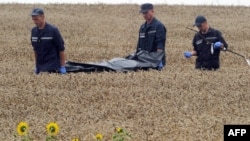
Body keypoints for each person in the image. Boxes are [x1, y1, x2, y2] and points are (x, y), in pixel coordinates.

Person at [128, 3, 167, 70]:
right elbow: (139, 45)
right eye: (143, 13)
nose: (144, 15)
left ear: (152, 11)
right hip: (142, 60)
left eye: (146, 12)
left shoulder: (158, 26)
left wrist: (158, 61)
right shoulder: (142, 27)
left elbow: (160, 45)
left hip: (153, 61)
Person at [30, 8, 66, 74]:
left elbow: (61, 49)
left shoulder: (53, 30)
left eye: (36, 19)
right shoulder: (34, 31)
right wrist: (36, 66)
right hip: (40, 67)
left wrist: (62, 66)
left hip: (53, 67)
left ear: (43, 17)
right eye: (33, 19)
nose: (35, 22)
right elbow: (35, 49)